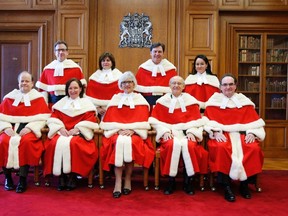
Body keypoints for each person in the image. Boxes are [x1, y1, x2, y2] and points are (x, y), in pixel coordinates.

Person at [203, 73, 265, 202]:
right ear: (220, 87)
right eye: (225, 84)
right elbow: (207, 121)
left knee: (252, 148)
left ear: (236, 86)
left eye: (231, 84)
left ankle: (244, 184)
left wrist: (252, 133)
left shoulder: (244, 102)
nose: (228, 87)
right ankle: (226, 186)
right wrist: (214, 132)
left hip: (243, 134)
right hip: (223, 134)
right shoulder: (213, 102)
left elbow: (255, 122)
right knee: (221, 148)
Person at [149, 76, 208, 195]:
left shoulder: (191, 101)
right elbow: (154, 121)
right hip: (169, 133)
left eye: (179, 83)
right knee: (170, 145)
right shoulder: (162, 102)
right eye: (173, 83)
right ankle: (171, 180)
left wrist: (192, 131)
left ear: (183, 86)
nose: (176, 85)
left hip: (187, 133)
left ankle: (188, 180)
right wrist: (164, 131)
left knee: (191, 146)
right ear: (169, 86)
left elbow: (198, 121)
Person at [100, 71, 155, 198]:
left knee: (131, 143)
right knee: (117, 142)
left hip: (135, 133)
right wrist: (117, 130)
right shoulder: (115, 98)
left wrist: (134, 130)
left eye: (129, 82)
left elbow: (144, 120)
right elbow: (108, 120)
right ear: (120, 84)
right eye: (124, 82)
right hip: (116, 132)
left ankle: (128, 179)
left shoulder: (140, 99)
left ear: (134, 84)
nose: (127, 84)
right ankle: (118, 181)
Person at [43, 78, 99, 191]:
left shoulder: (87, 104)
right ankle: (61, 177)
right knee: (53, 143)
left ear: (80, 89)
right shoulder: (61, 103)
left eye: (75, 88)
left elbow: (91, 120)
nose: (73, 90)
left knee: (75, 143)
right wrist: (60, 128)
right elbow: (53, 118)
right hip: (62, 132)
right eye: (70, 88)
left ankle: (72, 176)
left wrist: (78, 128)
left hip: (79, 134)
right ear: (67, 90)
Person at [0, 71, 51, 193]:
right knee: (2, 141)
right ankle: (8, 178)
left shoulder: (38, 98)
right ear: (18, 83)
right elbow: (1, 116)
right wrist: (5, 127)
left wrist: (31, 128)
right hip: (10, 129)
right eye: (22, 81)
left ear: (32, 83)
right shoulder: (9, 98)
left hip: (28, 129)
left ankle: (22, 179)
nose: (24, 83)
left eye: (27, 81)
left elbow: (43, 118)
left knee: (26, 142)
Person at [36, 40, 86, 109]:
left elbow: (81, 89)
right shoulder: (47, 69)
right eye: (58, 50)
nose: (61, 52)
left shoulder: (76, 68)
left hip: (71, 105)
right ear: (54, 52)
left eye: (63, 50)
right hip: (52, 105)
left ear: (67, 52)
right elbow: (43, 91)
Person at [135, 42, 177, 110]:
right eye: (155, 51)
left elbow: (177, 89)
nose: (157, 54)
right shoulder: (142, 69)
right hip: (147, 106)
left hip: (166, 106)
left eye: (160, 52)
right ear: (150, 53)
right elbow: (136, 90)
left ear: (163, 53)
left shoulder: (171, 70)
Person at [86, 52, 122, 117]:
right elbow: (89, 96)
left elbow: (121, 94)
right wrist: (97, 108)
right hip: (98, 111)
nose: (105, 62)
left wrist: (111, 108)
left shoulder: (119, 76)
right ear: (100, 63)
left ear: (112, 62)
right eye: (103, 60)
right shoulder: (94, 77)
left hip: (115, 108)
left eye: (108, 60)